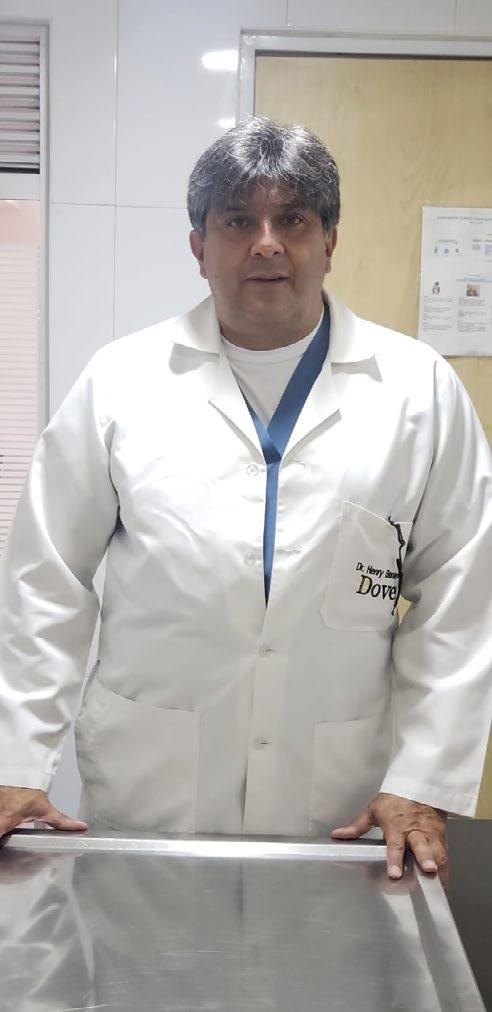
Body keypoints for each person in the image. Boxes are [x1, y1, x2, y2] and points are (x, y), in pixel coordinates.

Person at [0, 118, 491, 881]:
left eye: (292, 219)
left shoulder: (418, 391)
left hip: (341, 799)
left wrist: (423, 780)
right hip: (150, 788)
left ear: (330, 241)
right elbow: (47, 579)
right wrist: (15, 759)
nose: (267, 244)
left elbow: (460, 592)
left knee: (330, 955)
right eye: (237, 221)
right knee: (148, 952)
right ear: (199, 247)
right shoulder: (120, 383)